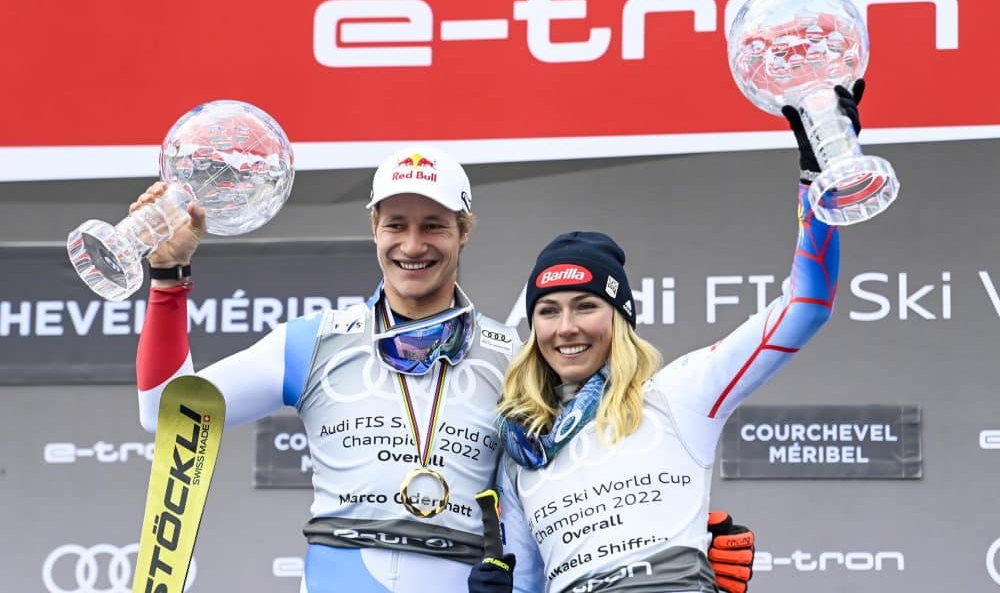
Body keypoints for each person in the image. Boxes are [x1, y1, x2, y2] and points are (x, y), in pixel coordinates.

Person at [131, 144, 755, 593]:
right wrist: (167, 281)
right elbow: (166, 412)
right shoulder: (312, 342)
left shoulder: (515, 354)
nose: (413, 244)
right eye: (396, 224)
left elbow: (595, 462)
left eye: (434, 225)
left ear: (463, 231)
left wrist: (687, 539)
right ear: (373, 227)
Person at [470, 82, 866, 593]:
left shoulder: (678, 394)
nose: (565, 326)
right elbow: (523, 584)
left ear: (620, 320)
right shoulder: (524, 450)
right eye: (548, 311)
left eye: (587, 306)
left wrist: (818, 178)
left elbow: (806, 305)